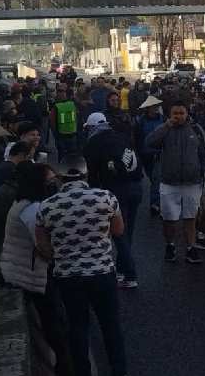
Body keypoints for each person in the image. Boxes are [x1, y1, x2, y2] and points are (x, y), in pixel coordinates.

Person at [36, 163, 127, 376]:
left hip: (68, 275)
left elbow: (43, 246)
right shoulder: (106, 197)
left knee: (77, 327)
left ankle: (82, 371)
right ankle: (119, 370)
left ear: (60, 178)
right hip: (102, 272)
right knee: (110, 324)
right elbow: (118, 230)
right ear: (86, 175)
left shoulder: (47, 206)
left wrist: (62, 254)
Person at [0, 161, 73, 375]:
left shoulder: (24, 203)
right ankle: (63, 364)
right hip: (29, 274)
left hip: (21, 269)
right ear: (38, 184)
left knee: (53, 318)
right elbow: (44, 246)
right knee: (53, 320)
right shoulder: (31, 210)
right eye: (49, 182)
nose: (54, 185)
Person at [83, 112, 143, 289]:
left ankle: (130, 274)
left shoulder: (93, 142)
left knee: (118, 233)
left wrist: (93, 195)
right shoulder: (121, 136)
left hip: (117, 189)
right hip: (136, 186)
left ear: (91, 127)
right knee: (127, 232)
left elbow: (91, 173)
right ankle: (122, 270)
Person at [146, 102, 205, 264]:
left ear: (187, 113)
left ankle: (191, 248)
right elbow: (149, 142)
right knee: (169, 219)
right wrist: (165, 126)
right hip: (169, 183)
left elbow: (204, 153)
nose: (178, 116)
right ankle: (170, 245)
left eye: (182, 113)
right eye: (175, 113)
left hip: (192, 182)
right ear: (170, 115)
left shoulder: (196, 129)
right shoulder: (165, 129)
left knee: (191, 217)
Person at [134, 96, 165, 217]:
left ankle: (155, 203)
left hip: (158, 153)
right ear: (148, 108)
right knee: (153, 178)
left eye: (156, 106)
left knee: (157, 179)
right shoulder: (140, 121)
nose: (156, 108)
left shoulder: (163, 119)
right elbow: (137, 139)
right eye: (153, 106)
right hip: (145, 154)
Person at [50, 87, 79, 163]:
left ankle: (62, 167)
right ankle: (72, 167)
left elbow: (52, 122)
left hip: (61, 134)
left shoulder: (56, 106)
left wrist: (55, 133)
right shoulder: (72, 104)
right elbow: (77, 116)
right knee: (72, 154)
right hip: (72, 132)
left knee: (62, 154)